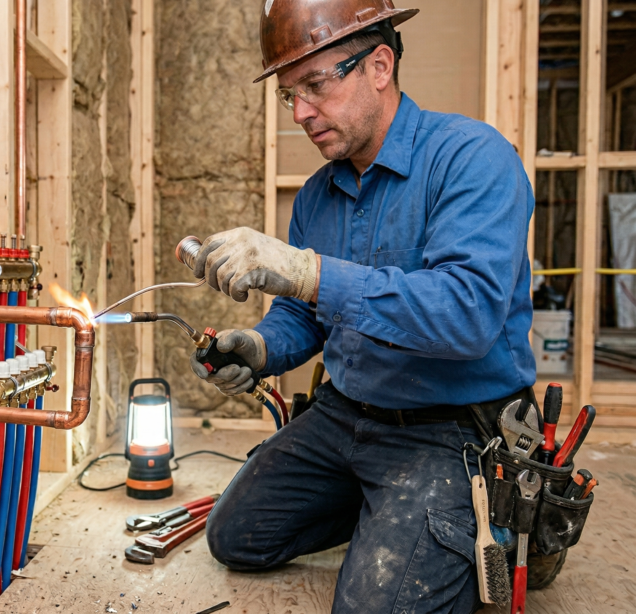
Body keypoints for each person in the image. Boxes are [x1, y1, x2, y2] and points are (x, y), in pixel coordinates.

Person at [192, 1, 537, 612]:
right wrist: (263, 347)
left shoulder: (472, 159)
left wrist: (307, 270)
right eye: (289, 95)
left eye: (315, 86)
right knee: (235, 536)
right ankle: (391, 511)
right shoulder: (319, 195)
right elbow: (307, 315)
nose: (299, 112)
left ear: (379, 65)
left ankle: (459, 522)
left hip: (449, 431)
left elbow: (466, 315)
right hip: (342, 415)